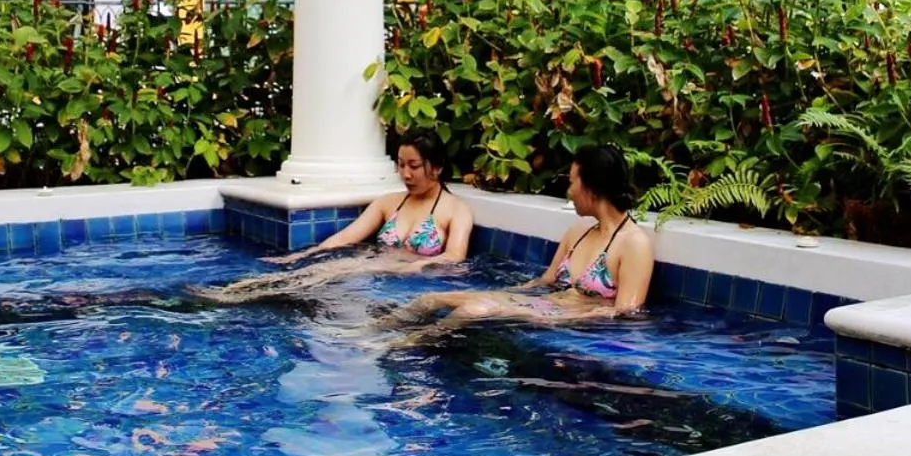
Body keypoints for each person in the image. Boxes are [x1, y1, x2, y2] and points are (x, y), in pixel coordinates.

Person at [382, 143, 653, 341]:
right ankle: (368, 336)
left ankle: (408, 345)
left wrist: (548, 317)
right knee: (430, 299)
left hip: (561, 317)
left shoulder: (633, 244)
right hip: (545, 304)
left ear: (592, 187)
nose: (569, 191)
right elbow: (544, 282)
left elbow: (625, 312)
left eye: (572, 182)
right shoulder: (577, 233)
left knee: (475, 310)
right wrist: (502, 293)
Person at [198, 133, 473, 302]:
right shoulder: (389, 202)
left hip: (410, 283)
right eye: (401, 165)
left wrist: (416, 267)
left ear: (436, 168)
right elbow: (345, 237)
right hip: (371, 270)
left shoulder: (455, 210)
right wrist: (304, 255)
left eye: (414, 166)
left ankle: (240, 296)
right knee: (310, 273)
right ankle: (237, 291)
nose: (406, 174)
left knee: (317, 279)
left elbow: (455, 256)